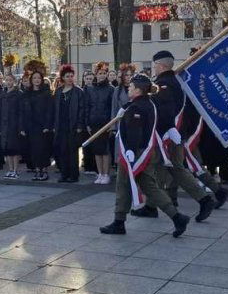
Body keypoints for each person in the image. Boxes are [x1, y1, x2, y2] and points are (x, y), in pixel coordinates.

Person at [99, 73, 190, 238]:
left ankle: (119, 223)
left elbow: (135, 132)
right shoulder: (147, 103)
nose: (129, 89)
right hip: (146, 152)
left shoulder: (136, 108)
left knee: (123, 185)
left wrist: (130, 151)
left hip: (135, 153)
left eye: (132, 87)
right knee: (150, 187)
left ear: (139, 90)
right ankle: (177, 217)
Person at [133, 51, 216, 222]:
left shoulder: (165, 84)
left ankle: (204, 199)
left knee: (173, 169)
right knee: (163, 170)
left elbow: (165, 111)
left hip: (167, 136)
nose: (154, 67)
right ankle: (151, 206)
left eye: (155, 64)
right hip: (171, 134)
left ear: (161, 65)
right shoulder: (171, 81)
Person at [53, 65, 87, 183]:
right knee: (62, 150)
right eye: (67, 76)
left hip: (73, 126)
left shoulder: (78, 92)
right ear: (62, 77)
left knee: (72, 151)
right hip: (61, 126)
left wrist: (79, 126)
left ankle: (73, 175)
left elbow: (82, 110)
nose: (70, 78)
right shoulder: (58, 92)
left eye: (72, 76)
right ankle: (64, 174)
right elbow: (55, 110)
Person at [21, 68, 54, 181]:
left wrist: (47, 126)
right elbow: (23, 111)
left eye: (38, 78)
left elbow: (50, 111)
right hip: (31, 125)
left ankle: (44, 171)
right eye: (34, 78)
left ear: (42, 79)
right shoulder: (27, 93)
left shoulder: (46, 92)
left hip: (42, 125)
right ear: (31, 80)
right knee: (34, 149)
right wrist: (23, 127)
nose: (36, 80)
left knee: (43, 149)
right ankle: (37, 170)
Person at [86, 62, 114, 184]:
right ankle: (100, 173)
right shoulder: (90, 89)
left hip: (106, 123)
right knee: (97, 150)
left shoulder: (111, 89)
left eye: (104, 73)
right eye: (100, 73)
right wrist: (87, 123)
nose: (102, 75)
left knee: (105, 150)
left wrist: (112, 124)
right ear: (96, 74)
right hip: (94, 122)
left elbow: (112, 107)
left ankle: (106, 174)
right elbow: (87, 107)